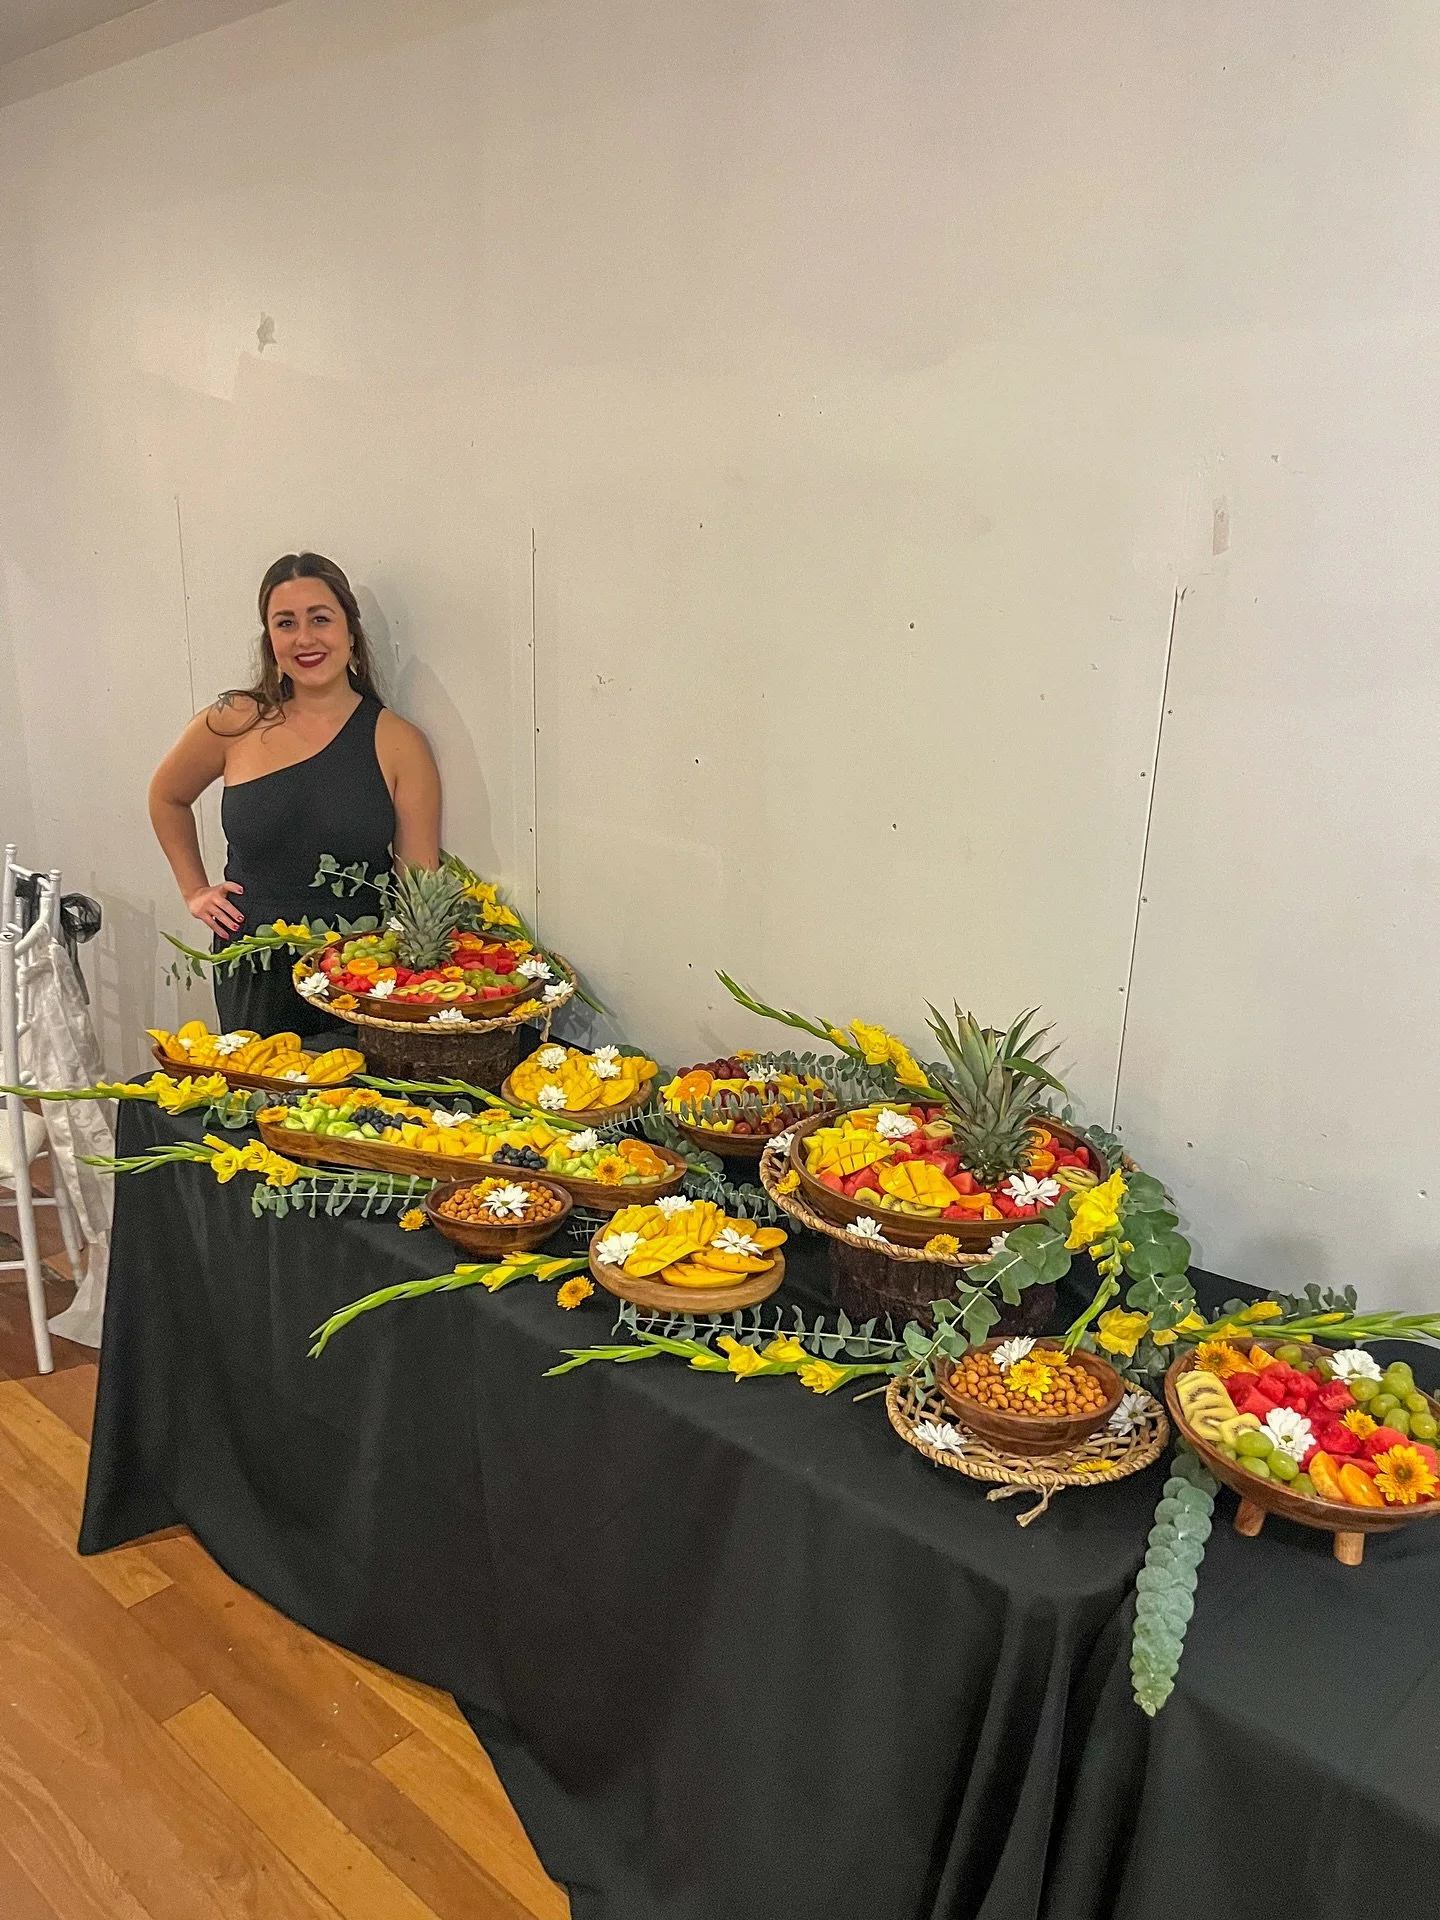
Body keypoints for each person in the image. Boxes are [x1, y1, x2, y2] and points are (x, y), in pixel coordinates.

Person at [150, 552, 440, 1036]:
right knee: (256, 1084)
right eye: (286, 623)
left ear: (351, 631)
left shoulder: (399, 742)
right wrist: (194, 891)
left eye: (320, 619)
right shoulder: (234, 721)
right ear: (270, 641)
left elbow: (418, 884)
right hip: (253, 968)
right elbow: (166, 797)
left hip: (358, 973)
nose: (304, 638)